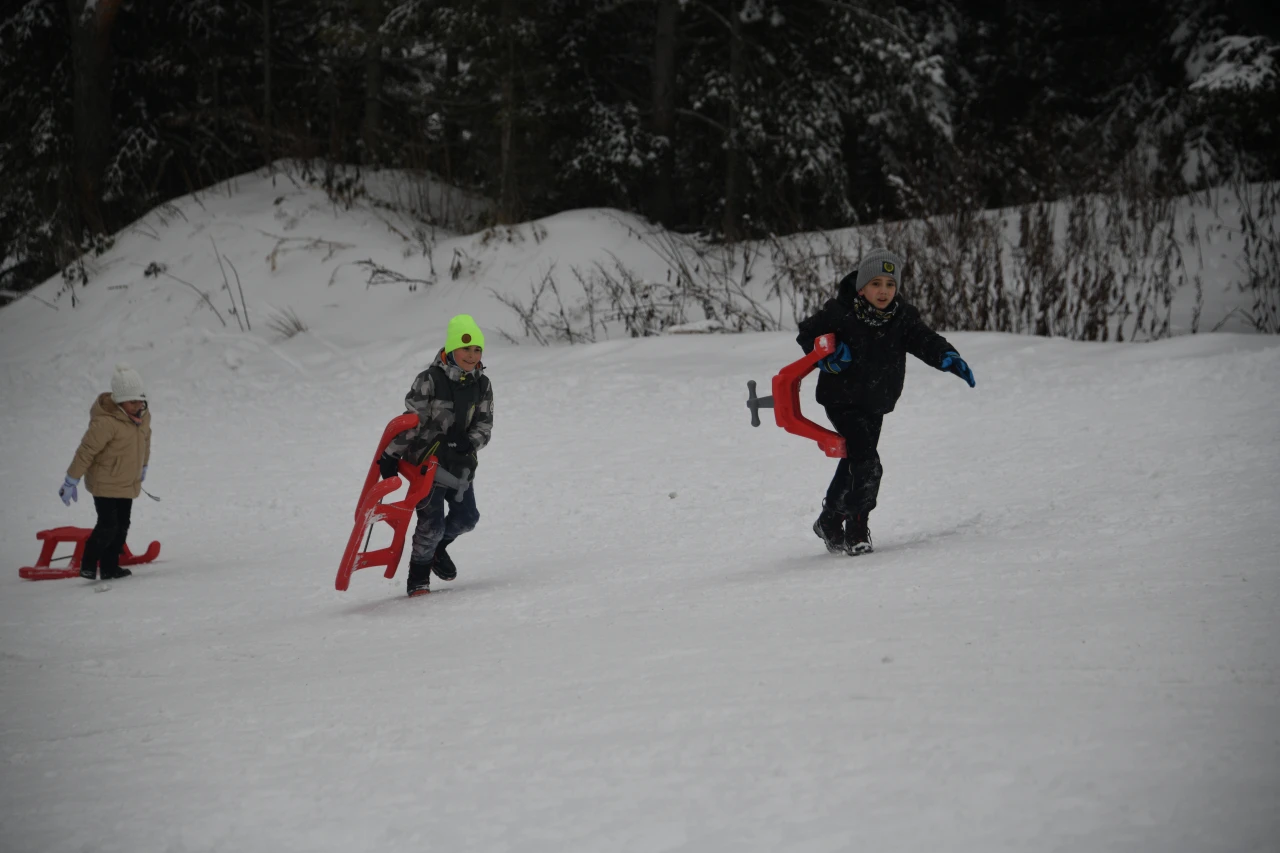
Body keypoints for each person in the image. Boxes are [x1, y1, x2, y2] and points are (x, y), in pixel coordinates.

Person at [796, 248, 975, 555]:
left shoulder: (901, 317)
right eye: (876, 283)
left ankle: (829, 519)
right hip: (842, 400)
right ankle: (855, 528)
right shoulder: (841, 312)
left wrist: (947, 355)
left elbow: (924, 339)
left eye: (890, 284)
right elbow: (808, 335)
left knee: (854, 460)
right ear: (862, 287)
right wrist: (829, 358)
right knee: (867, 463)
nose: (883, 291)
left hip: (877, 400)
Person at [378, 315, 494, 596]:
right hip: (428, 465)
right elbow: (412, 420)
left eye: (477, 349)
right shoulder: (430, 380)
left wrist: (470, 443)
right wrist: (391, 454)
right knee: (431, 524)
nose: (471, 355)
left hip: (461, 466)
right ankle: (418, 577)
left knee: (467, 519)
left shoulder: (482, 384)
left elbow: (485, 424)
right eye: (465, 348)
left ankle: (438, 549)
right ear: (452, 348)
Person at [60, 363, 152, 580]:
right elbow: (86, 452)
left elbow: (145, 442)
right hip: (105, 483)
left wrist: (144, 465)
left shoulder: (143, 416)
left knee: (122, 526)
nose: (138, 405)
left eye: (140, 399)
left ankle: (111, 566)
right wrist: (71, 479)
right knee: (108, 525)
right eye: (132, 401)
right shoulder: (106, 423)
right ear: (119, 401)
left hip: (127, 482)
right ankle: (89, 563)